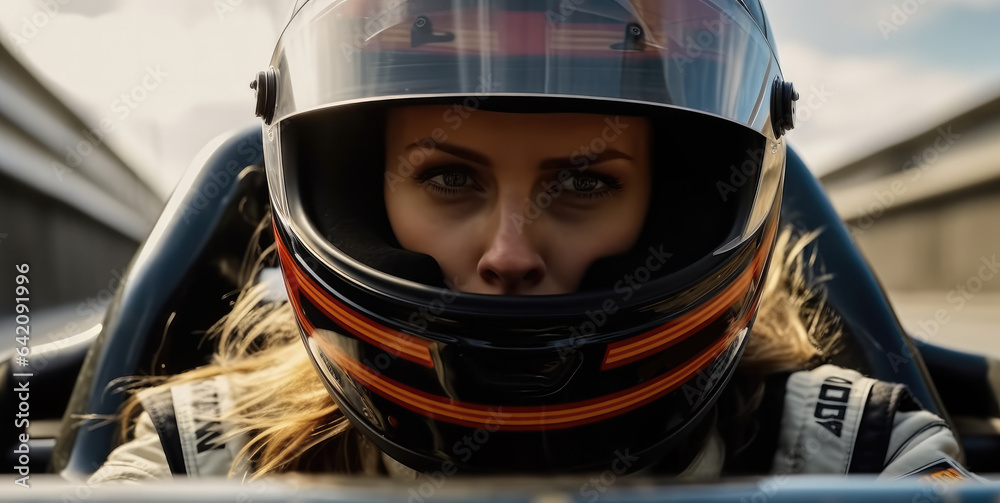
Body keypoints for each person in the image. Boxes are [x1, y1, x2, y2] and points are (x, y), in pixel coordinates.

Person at [89, 0, 970, 484]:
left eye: (585, 183)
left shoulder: (855, 452)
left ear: (673, 206)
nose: (509, 252)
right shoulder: (203, 455)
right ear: (362, 190)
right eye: (449, 177)